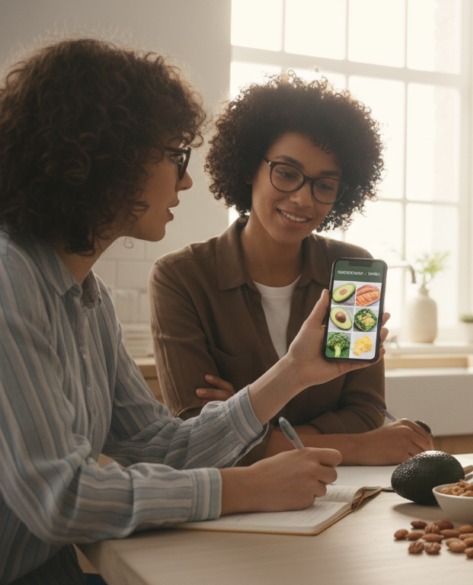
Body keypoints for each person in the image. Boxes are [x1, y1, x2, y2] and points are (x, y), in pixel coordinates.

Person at [0, 39, 383, 584]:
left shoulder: (89, 299)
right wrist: (246, 487)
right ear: (108, 157)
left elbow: (159, 443)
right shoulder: (9, 281)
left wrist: (294, 371)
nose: (184, 180)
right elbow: (61, 498)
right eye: (174, 157)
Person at [149, 74, 432, 465]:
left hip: (340, 492)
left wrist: (257, 430)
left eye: (325, 185)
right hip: (240, 504)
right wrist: (356, 445)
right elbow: (195, 432)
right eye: (286, 173)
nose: (302, 198)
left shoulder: (353, 271)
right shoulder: (182, 278)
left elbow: (365, 409)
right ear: (249, 167)